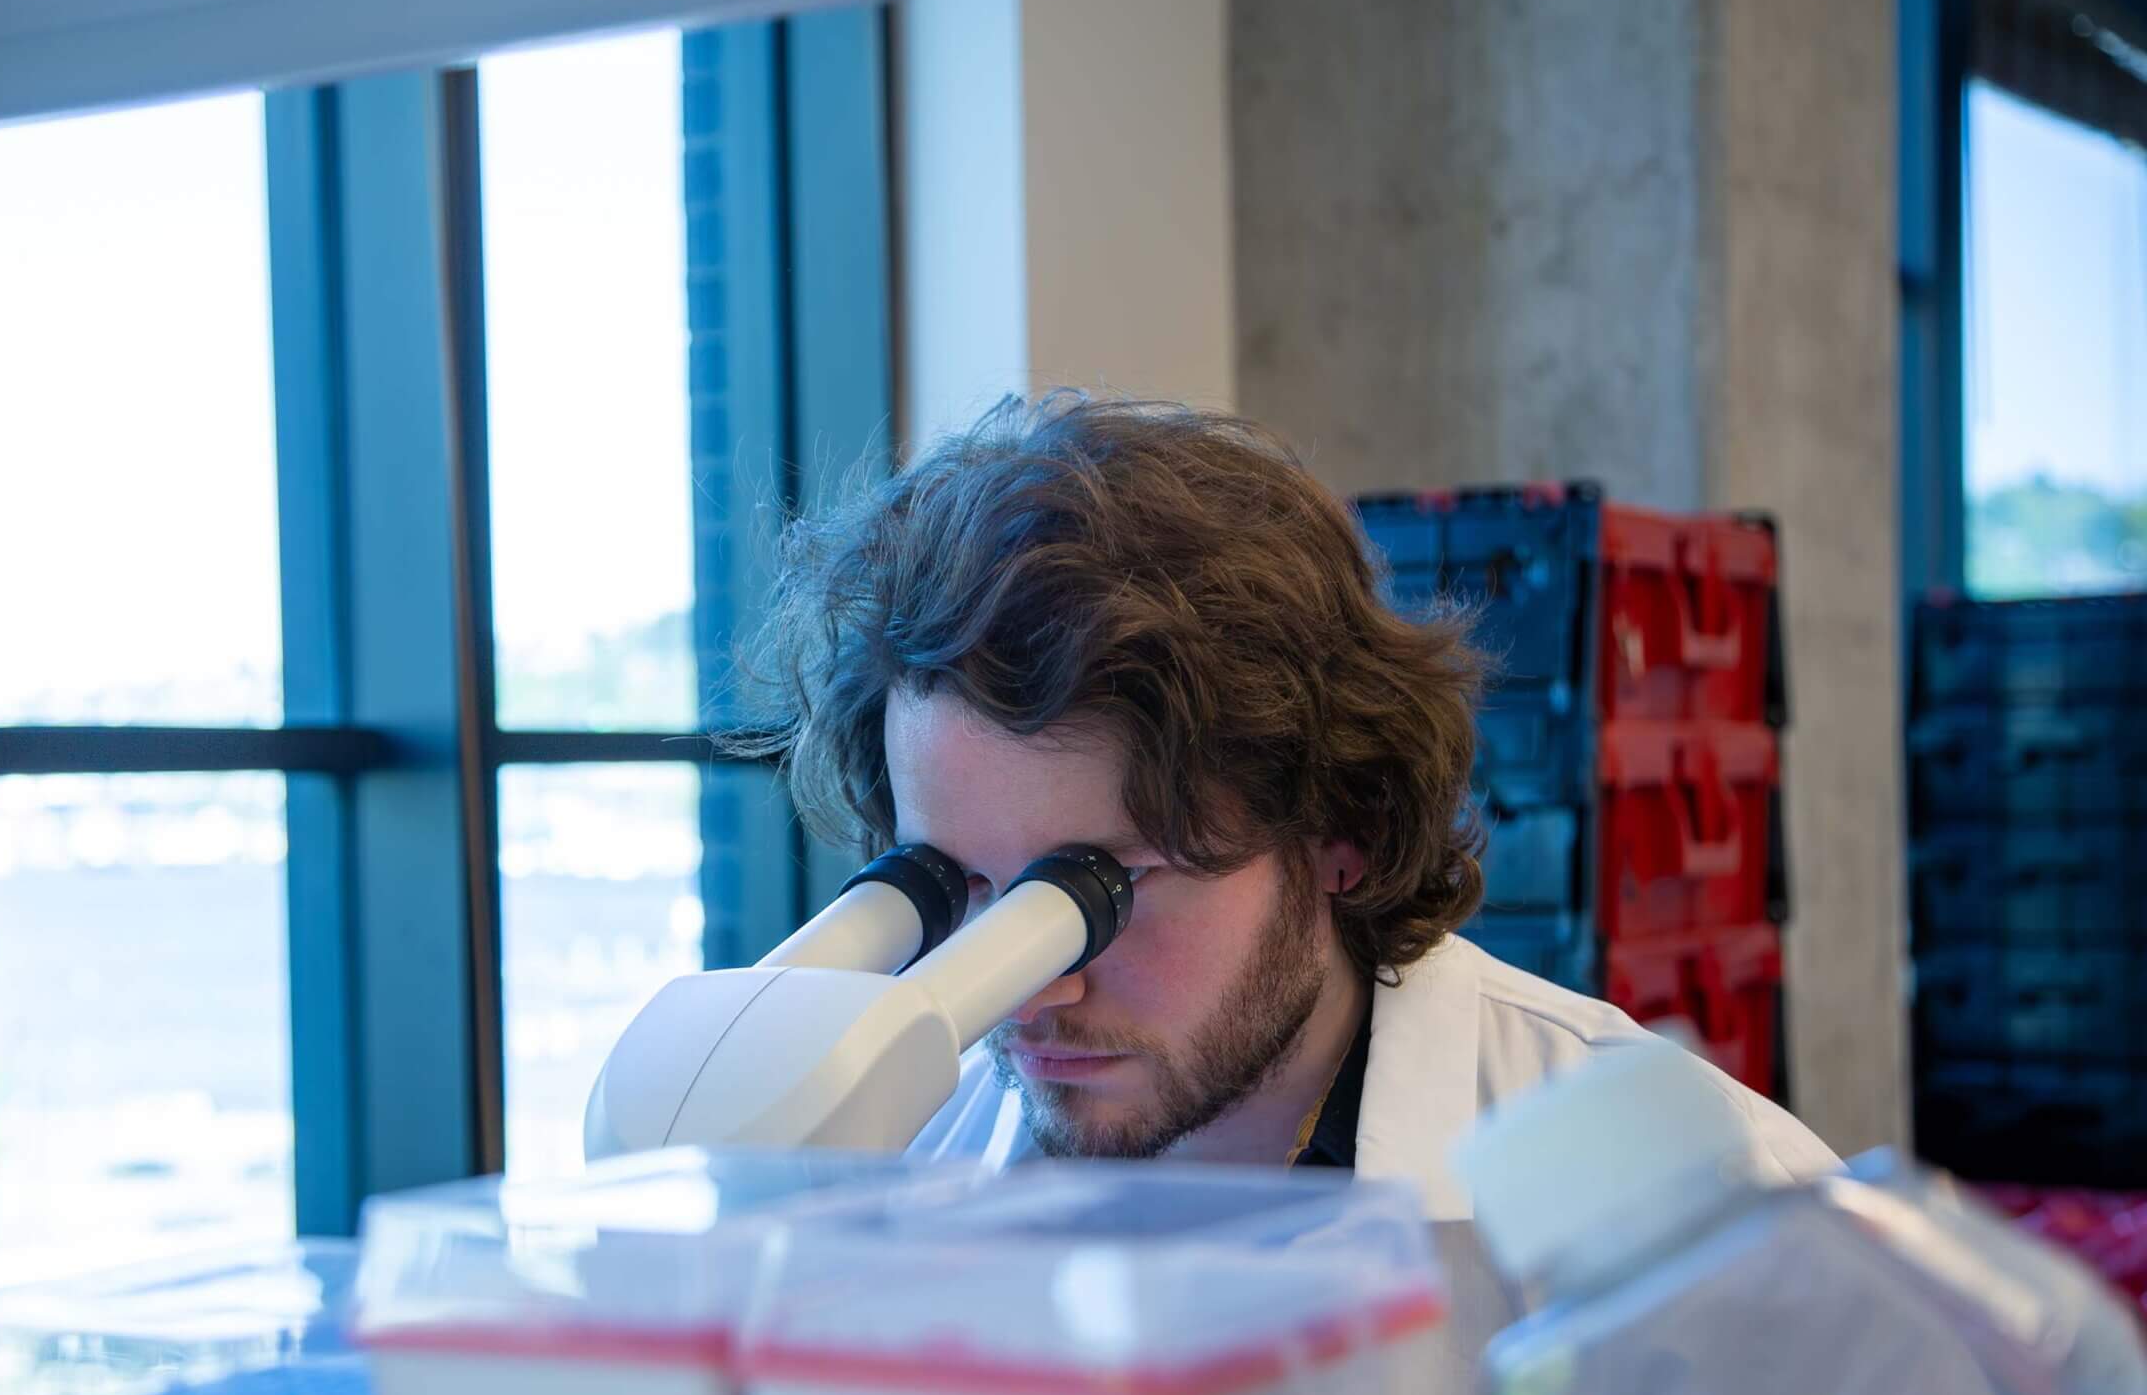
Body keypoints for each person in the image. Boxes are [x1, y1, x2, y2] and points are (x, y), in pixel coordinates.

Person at [730, 392, 1837, 1218]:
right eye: (958, 886)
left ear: (1337, 835)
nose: (1027, 986)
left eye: (1092, 891)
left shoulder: (1711, 1200)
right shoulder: (895, 1158)